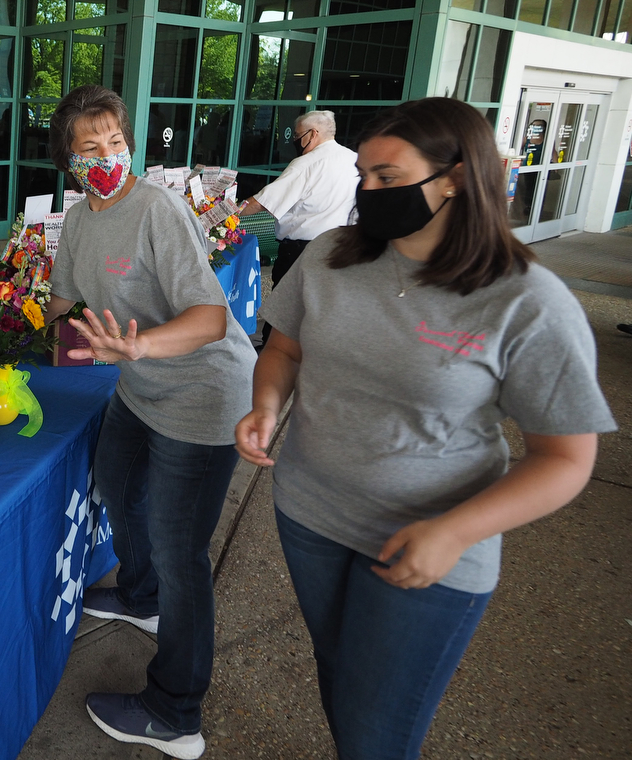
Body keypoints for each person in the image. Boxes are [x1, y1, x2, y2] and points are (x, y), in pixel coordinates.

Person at [235, 97, 613, 760]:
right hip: (309, 513)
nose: (370, 192)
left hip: (430, 543)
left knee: (375, 728)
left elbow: (565, 457)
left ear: (457, 179)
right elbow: (284, 349)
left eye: (389, 177)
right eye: (365, 177)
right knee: (342, 681)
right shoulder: (331, 256)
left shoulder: (525, 299)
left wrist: (456, 530)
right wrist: (266, 407)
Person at [43, 85, 256, 760]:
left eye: (115, 141)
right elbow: (62, 304)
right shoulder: (78, 221)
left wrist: (137, 347)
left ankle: (175, 712)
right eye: (90, 147)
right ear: (69, 163)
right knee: (114, 477)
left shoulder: (157, 209)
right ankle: (138, 596)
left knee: (179, 549)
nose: (107, 156)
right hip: (139, 389)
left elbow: (211, 318)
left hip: (203, 392)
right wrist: (42, 333)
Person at [239, 110, 356, 342]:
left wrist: (221, 214)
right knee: (320, 309)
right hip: (341, 247)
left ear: (313, 134)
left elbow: (264, 202)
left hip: (302, 251)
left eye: (298, 135)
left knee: (285, 311)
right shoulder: (354, 159)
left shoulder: (307, 163)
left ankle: (272, 357)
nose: (295, 141)